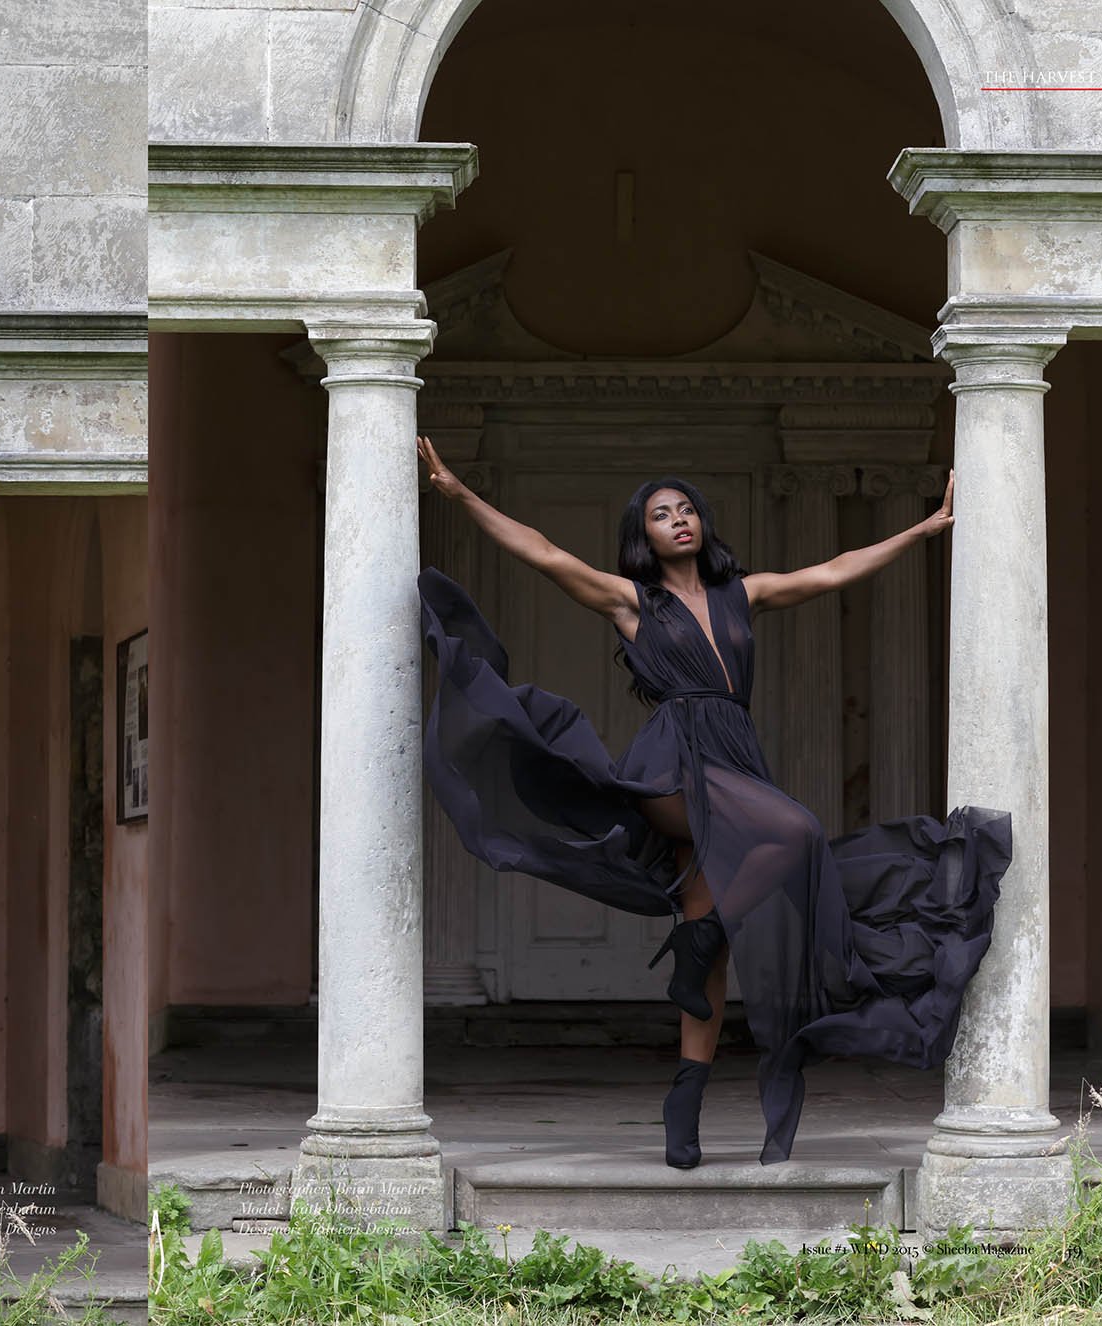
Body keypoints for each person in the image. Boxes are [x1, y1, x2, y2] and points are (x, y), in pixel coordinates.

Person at [415, 438, 1010, 1168]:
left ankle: (682, 1111)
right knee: (795, 832)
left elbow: (830, 572)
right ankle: (693, 948)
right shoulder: (632, 602)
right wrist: (459, 492)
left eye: (687, 508)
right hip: (673, 761)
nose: (679, 520)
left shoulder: (742, 594)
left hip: (733, 757)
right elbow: (542, 552)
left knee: (713, 953)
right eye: (662, 515)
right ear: (645, 536)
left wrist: (920, 531)